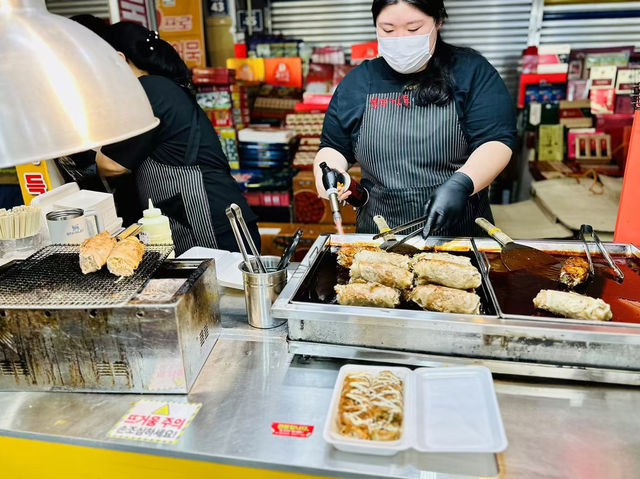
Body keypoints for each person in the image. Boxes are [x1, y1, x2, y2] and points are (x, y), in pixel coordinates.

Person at [314, 0, 517, 237]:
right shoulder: (357, 82)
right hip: (380, 237)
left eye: (413, 29)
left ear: (438, 21)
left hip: (458, 235)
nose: (401, 39)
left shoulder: (471, 72)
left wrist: (461, 184)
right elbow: (333, 147)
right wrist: (330, 175)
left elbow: (496, 142)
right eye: (388, 30)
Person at [86, 20, 260, 255]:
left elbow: (111, 165)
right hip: (215, 218)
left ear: (119, 58)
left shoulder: (149, 90)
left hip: (212, 224)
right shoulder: (160, 87)